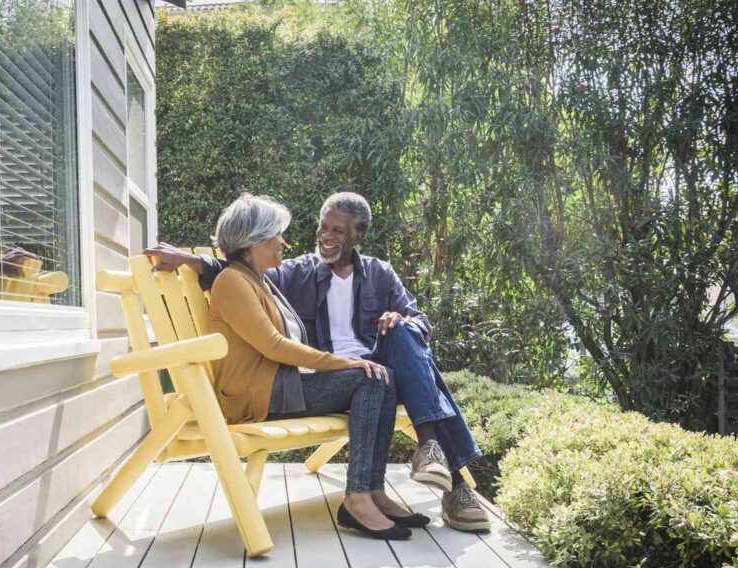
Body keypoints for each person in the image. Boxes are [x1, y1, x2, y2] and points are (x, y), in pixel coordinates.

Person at [147, 192, 491, 532]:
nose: (323, 237)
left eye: (337, 231)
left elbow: (420, 322)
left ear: (358, 235)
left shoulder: (379, 274)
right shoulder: (288, 274)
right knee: (380, 376)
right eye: (321, 228)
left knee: (403, 337)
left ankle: (385, 481)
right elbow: (242, 284)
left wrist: (400, 322)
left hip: (365, 369)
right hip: (299, 383)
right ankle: (427, 482)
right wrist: (190, 260)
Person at [205, 193, 429, 540]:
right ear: (252, 243)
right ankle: (357, 497)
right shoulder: (234, 282)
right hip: (259, 399)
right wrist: (345, 363)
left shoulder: (259, 280)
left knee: (382, 377)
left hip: (281, 387)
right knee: (370, 378)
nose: (284, 241)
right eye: (276, 235)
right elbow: (275, 346)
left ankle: (371, 491)